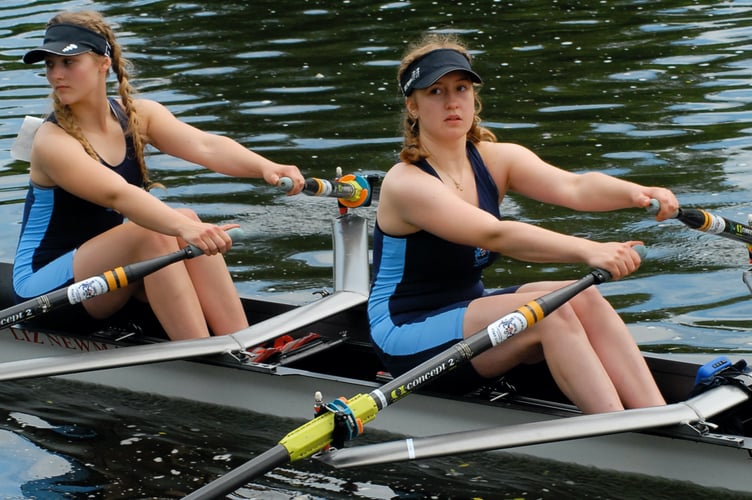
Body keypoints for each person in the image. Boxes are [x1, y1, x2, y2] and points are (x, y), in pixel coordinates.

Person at [368, 33, 679, 414]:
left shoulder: (496, 158)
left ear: (473, 96)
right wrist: (590, 250)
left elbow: (576, 187)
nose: (452, 102)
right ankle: (618, 430)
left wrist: (638, 192)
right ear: (412, 106)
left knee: (583, 296)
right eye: (435, 91)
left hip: (468, 306)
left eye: (461, 88)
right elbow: (495, 234)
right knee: (550, 313)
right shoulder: (406, 183)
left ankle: (659, 417)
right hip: (406, 332)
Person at [13, 11, 305, 340]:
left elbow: (206, 146)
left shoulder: (138, 115)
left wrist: (265, 166)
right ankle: (206, 357)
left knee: (183, 217)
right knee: (155, 232)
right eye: (50, 65)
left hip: (104, 275)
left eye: (68, 63)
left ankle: (247, 343)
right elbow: (117, 195)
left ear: (102, 63)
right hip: (42, 292)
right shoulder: (53, 141)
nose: (56, 75)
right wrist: (187, 229)